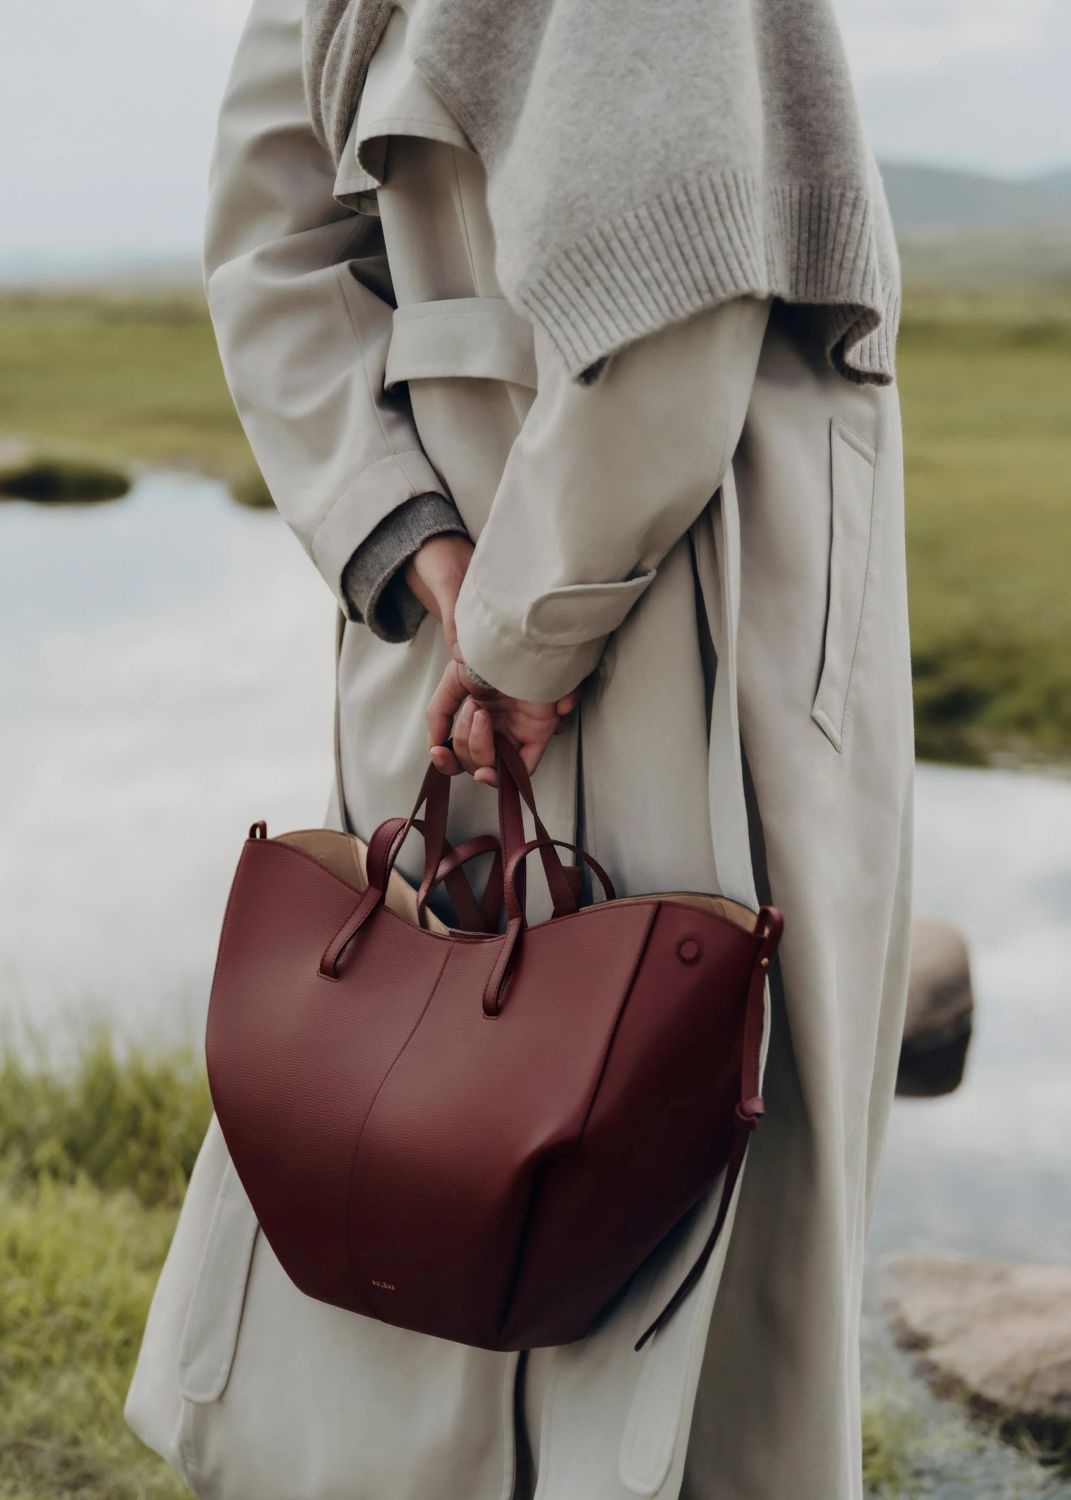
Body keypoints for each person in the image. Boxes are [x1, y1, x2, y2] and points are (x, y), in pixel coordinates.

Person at [126, 1, 915, 1497]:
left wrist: (412, 535)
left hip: (449, 581)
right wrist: (516, 623)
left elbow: (270, 247)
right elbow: (679, 301)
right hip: (671, 579)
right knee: (668, 1134)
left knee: (440, 1069)